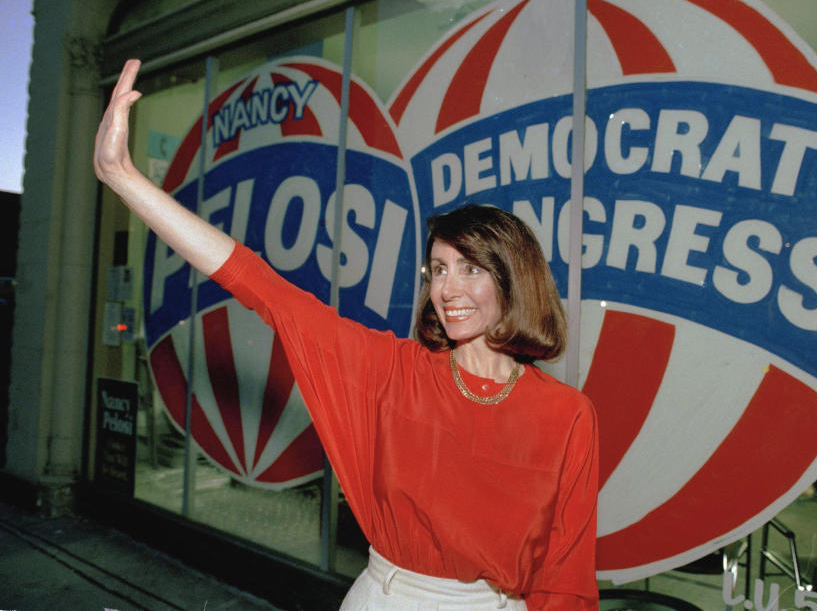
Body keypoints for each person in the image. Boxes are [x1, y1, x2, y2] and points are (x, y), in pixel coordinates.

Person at [94, 59, 600, 609]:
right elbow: (262, 287)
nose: (447, 288)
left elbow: (566, 576)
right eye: (438, 269)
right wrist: (122, 176)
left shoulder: (566, 416)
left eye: (470, 269)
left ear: (513, 279)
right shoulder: (393, 372)